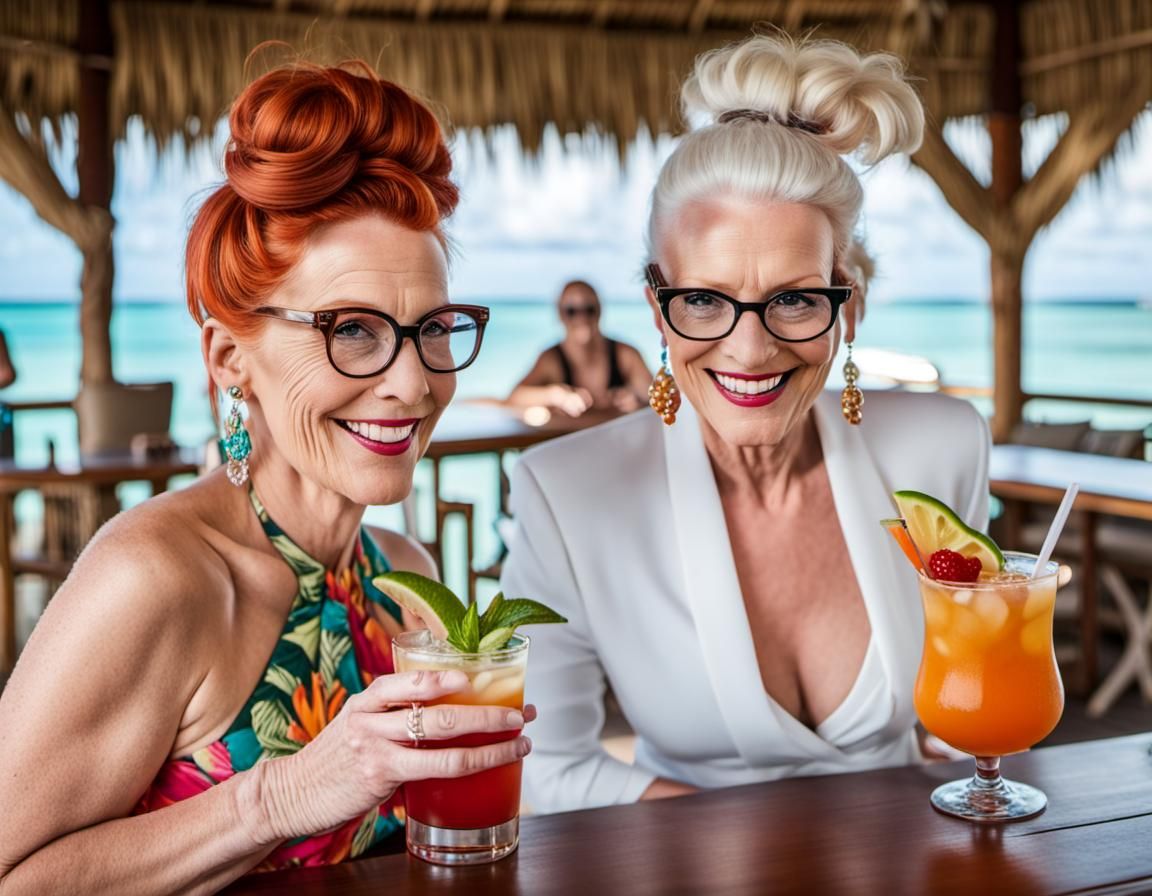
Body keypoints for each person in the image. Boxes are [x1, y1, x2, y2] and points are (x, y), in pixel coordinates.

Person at [0, 62, 534, 890]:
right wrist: (280, 798)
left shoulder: (402, 577)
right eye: (352, 329)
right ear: (228, 359)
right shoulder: (158, 578)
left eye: (432, 328)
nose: (413, 381)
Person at [501, 33, 991, 814]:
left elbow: (968, 702)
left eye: (796, 299)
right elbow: (543, 765)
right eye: (704, 300)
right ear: (659, 309)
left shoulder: (944, 450)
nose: (751, 348)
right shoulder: (565, 495)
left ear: (848, 309)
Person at [508, 280, 651, 416]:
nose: (581, 318)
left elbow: (657, 397)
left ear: (600, 311)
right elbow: (515, 397)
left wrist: (636, 399)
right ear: (560, 315)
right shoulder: (551, 359)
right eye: (572, 311)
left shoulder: (624, 354)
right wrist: (555, 396)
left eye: (589, 310)